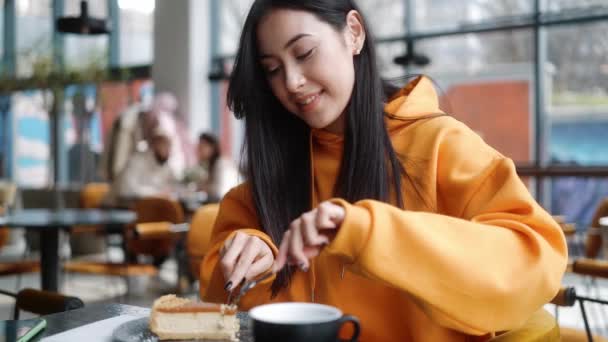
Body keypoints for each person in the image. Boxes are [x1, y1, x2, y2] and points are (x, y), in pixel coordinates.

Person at [200, 1, 567, 341]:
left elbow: (534, 262)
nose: (292, 82)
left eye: (304, 53)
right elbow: (217, 302)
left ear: (353, 33)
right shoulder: (276, 168)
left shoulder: (438, 144)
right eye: (273, 70)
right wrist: (248, 250)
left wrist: (370, 233)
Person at [104, 116, 178, 207]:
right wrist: (157, 193)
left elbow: (173, 188)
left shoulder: (166, 167)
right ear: (154, 144)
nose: (168, 150)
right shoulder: (137, 160)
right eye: (165, 145)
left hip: (142, 211)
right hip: (116, 209)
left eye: (170, 146)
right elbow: (126, 190)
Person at [183, 132, 240, 201]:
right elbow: (202, 184)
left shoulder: (221, 164)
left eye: (201, 147)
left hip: (228, 203)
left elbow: (220, 191)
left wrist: (203, 188)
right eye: (198, 147)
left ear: (212, 147)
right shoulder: (211, 164)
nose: (198, 150)